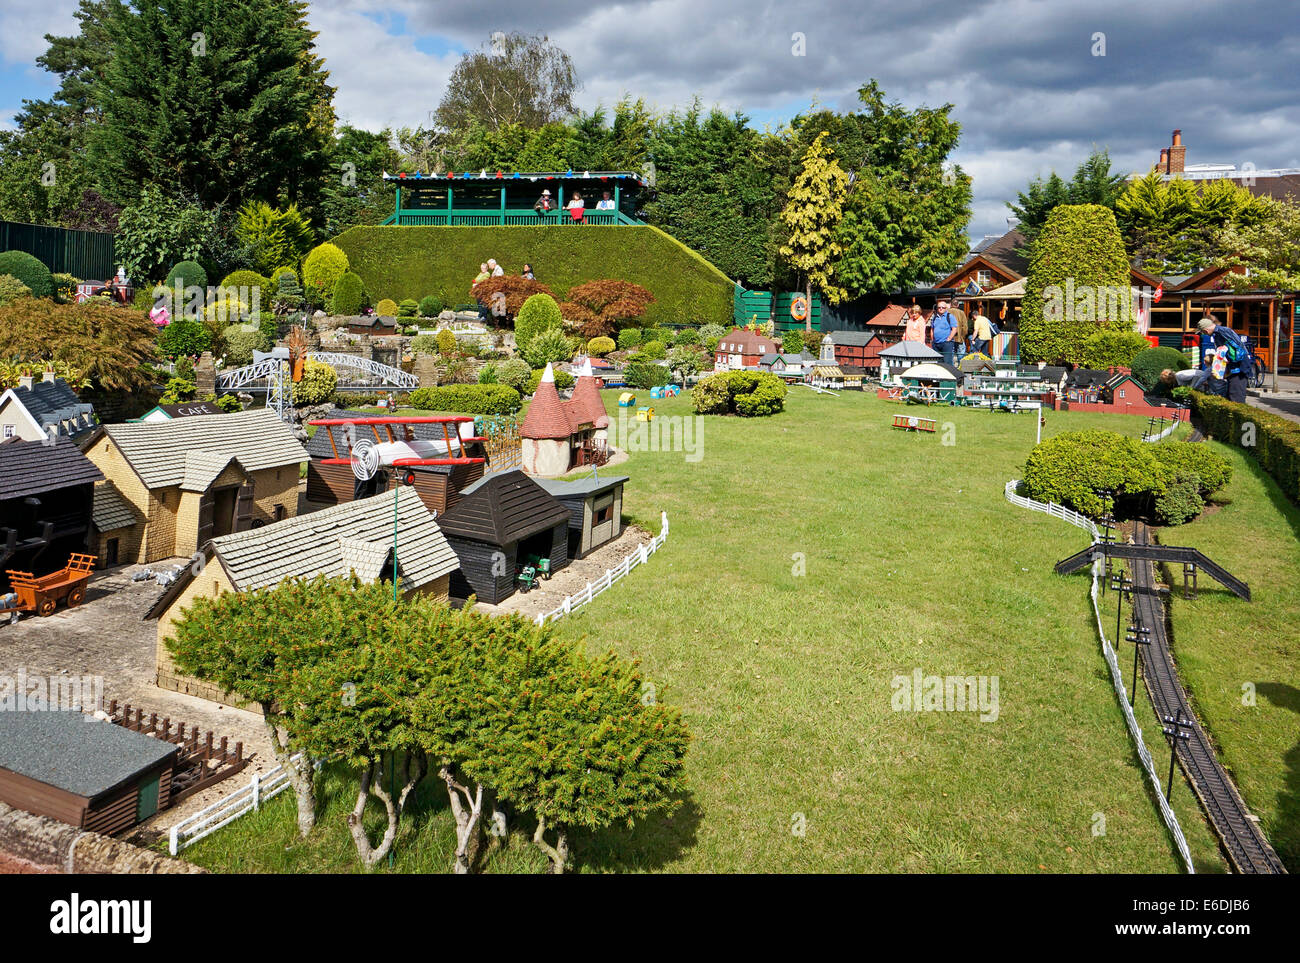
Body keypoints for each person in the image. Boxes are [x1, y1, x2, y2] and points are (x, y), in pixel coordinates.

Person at [1197, 316, 1253, 403]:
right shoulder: (1220, 332)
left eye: (1203, 332)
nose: (1204, 334)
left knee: (1236, 397)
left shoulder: (1221, 333)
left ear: (1205, 330)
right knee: (1231, 394)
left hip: (1238, 369)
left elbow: (1237, 349)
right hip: (1235, 368)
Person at [930, 298, 959, 365]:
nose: (941, 309)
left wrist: (949, 339)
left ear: (946, 308)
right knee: (937, 363)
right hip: (936, 343)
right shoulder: (934, 317)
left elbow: (954, 329)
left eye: (943, 307)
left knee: (947, 362)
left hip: (946, 344)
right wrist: (932, 339)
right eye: (939, 307)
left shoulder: (950, 317)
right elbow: (932, 329)